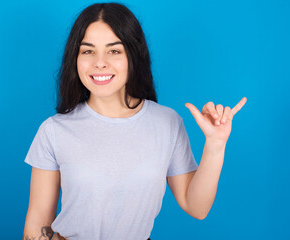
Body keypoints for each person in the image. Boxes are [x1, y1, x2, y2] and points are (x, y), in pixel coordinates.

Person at [22, 2, 247, 240]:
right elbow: (38, 221)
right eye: (87, 51)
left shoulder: (167, 123)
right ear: (75, 58)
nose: (99, 62)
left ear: (133, 55)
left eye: (114, 50)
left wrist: (215, 145)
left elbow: (197, 207)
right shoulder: (54, 130)